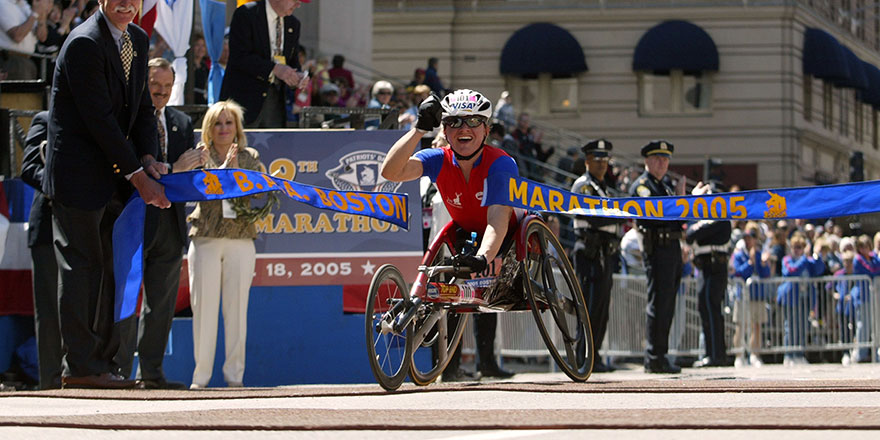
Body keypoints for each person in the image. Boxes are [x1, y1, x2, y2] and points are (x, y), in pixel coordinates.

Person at [44, 0, 170, 389]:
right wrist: (138, 175)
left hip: (115, 177)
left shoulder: (138, 37)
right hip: (79, 178)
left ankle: (104, 363)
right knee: (82, 267)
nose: (126, 3)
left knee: (113, 270)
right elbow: (99, 119)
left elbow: (143, 110)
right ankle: (80, 367)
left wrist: (150, 155)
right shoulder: (84, 42)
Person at [381, 89, 519, 381]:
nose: (463, 129)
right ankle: (450, 366)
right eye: (454, 122)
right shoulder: (437, 158)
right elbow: (391, 172)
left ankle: (487, 363)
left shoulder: (501, 163)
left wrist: (484, 256)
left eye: (472, 122)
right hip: (462, 233)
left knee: (486, 288)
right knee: (450, 288)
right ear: (444, 129)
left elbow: (497, 219)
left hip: (502, 234)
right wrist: (419, 129)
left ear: (486, 129)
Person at [114, 58, 205, 389]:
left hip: (171, 223)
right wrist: (176, 167)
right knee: (126, 297)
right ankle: (119, 371)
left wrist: (196, 168)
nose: (161, 92)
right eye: (155, 86)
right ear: (143, 84)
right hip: (136, 221)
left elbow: (187, 177)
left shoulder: (181, 122)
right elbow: (137, 169)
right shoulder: (131, 121)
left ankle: (151, 373)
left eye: (167, 87)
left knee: (162, 304)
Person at [188, 100, 266, 389]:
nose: (223, 129)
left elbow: (260, 196)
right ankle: (200, 378)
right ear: (209, 127)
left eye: (229, 123)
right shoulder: (197, 157)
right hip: (206, 238)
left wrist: (237, 175)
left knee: (236, 312)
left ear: (237, 127)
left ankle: (235, 378)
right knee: (204, 310)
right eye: (218, 123)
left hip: (241, 239)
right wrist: (222, 172)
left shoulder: (250, 156)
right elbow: (197, 192)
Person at [629, 140, 685, 374]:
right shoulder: (643, 186)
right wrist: (679, 202)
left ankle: (661, 353)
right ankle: (654, 355)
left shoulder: (667, 186)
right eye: (658, 159)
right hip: (657, 247)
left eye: (665, 159)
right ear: (647, 161)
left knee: (668, 303)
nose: (662, 163)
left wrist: (682, 198)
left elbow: (678, 217)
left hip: (671, 246)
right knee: (658, 303)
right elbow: (655, 214)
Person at [570, 139, 624, 373]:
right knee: (589, 305)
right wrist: (618, 213)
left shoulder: (604, 188)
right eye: (597, 160)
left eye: (605, 160)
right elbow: (594, 216)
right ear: (587, 162)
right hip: (589, 252)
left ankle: (595, 354)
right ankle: (584, 355)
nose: (602, 165)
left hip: (606, 252)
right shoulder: (583, 186)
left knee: (601, 307)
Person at [20, 111, 62, 389]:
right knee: (49, 314)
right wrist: (62, 187)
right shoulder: (45, 120)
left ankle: (82, 378)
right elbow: (28, 168)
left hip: (89, 229)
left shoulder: (97, 120)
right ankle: (50, 384)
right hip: (48, 229)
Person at [220, 0, 308, 127]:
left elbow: (292, 61)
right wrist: (274, 69)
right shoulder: (247, 13)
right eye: (295, 0)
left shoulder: (293, 23)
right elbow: (240, 56)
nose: (298, 5)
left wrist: (297, 76)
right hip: (244, 103)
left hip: (275, 105)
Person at [685, 181, 733, 368]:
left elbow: (695, 233)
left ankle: (717, 355)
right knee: (704, 308)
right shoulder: (702, 217)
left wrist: (697, 228)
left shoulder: (721, 217)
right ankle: (710, 353)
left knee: (712, 308)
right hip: (704, 266)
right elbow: (690, 232)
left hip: (715, 266)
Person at [776, 233, 824, 366]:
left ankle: (799, 354)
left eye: (800, 247)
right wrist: (804, 258)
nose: (797, 249)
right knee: (790, 327)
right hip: (790, 299)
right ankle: (789, 355)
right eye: (795, 247)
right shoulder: (787, 259)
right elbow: (791, 271)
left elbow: (819, 270)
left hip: (804, 299)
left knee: (802, 327)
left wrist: (817, 255)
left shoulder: (807, 260)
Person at [731, 222, 771, 368]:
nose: (749, 240)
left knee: (756, 325)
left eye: (752, 237)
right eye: (746, 237)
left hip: (757, 295)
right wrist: (750, 262)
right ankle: (739, 354)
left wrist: (763, 264)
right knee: (740, 325)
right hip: (743, 295)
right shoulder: (739, 255)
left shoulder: (760, 254)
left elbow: (765, 275)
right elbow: (738, 272)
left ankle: (755, 354)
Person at [0, 0, 51, 79]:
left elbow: (42, 37)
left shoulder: (25, 5)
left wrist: (42, 16)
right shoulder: (3, 4)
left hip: (29, 60)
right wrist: (35, 14)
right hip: (11, 60)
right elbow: (17, 36)